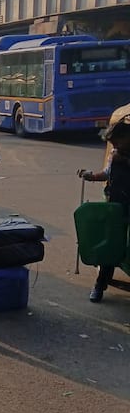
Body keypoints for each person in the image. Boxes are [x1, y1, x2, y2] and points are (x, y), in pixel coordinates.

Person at [78, 120, 130, 302]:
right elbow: (107, 173)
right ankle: (100, 285)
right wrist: (91, 176)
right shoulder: (115, 155)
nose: (114, 146)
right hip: (115, 206)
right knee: (110, 243)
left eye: (117, 142)